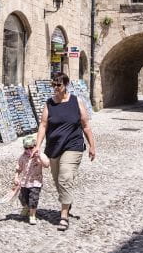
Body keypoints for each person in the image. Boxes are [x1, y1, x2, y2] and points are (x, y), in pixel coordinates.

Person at [36, 72, 97, 231]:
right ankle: (67, 202)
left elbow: (85, 126)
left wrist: (92, 145)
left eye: (59, 85)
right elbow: (43, 125)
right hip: (54, 147)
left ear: (66, 85)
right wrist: (37, 145)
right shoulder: (49, 103)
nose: (55, 88)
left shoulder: (77, 102)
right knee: (58, 181)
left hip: (73, 145)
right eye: (53, 85)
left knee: (65, 177)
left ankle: (63, 216)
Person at [15, 134, 50, 225]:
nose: (29, 150)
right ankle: (26, 207)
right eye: (26, 148)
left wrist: (39, 157)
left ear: (35, 146)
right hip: (24, 182)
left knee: (33, 199)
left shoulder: (40, 155)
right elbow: (19, 168)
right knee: (22, 197)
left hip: (35, 182)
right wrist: (16, 177)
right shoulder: (22, 157)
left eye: (31, 147)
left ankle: (32, 215)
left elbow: (46, 164)